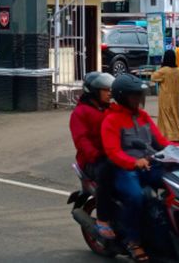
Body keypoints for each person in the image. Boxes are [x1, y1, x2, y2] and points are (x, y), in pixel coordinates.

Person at [102, 74, 179, 262]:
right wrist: (133, 162)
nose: (138, 99)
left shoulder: (143, 116)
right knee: (136, 197)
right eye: (134, 96)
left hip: (149, 166)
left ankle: (172, 229)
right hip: (125, 170)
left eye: (139, 95)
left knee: (177, 184)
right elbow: (113, 151)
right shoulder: (111, 120)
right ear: (122, 96)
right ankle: (133, 240)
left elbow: (160, 142)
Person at [69, 71, 116, 239]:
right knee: (108, 175)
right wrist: (98, 155)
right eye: (105, 89)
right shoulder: (80, 113)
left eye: (111, 89)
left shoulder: (110, 109)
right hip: (93, 161)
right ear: (94, 92)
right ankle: (104, 221)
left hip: (113, 155)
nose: (110, 92)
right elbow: (82, 141)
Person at [151, 49, 179, 142]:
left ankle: (168, 135)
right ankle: (177, 134)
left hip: (165, 97)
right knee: (175, 116)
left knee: (166, 116)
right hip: (176, 97)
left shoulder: (164, 71)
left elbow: (153, 77)